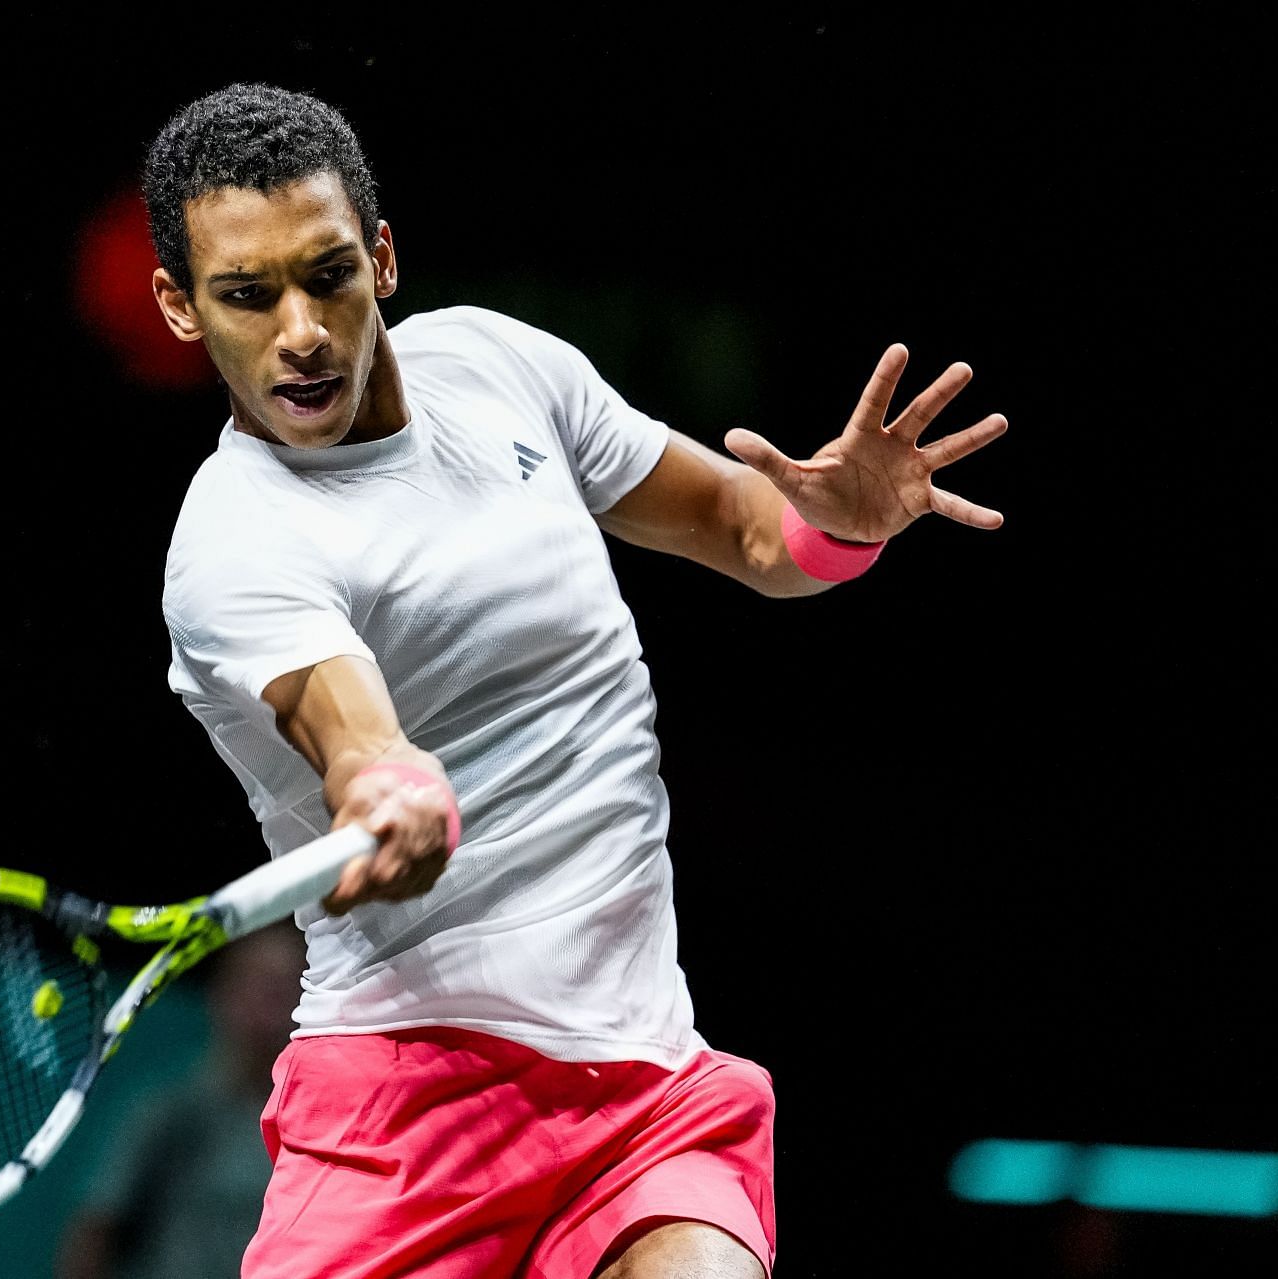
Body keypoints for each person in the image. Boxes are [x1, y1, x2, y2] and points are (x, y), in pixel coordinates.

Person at [144, 82, 1008, 1279]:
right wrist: (383, 783)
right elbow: (350, 728)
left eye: (328, 274)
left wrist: (839, 527)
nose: (300, 329)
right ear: (181, 309)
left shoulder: (499, 366)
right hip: (409, 1113)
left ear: (382, 258)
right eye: (248, 295)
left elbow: (746, 531)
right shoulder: (236, 542)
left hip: (645, 1097)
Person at [59, 923, 309, 1279]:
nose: (264, 1009)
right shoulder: (167, 1112)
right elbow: (94, 1234)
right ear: (220, 993)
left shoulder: (323, 1128)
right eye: (254, 986)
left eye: (281, 990)